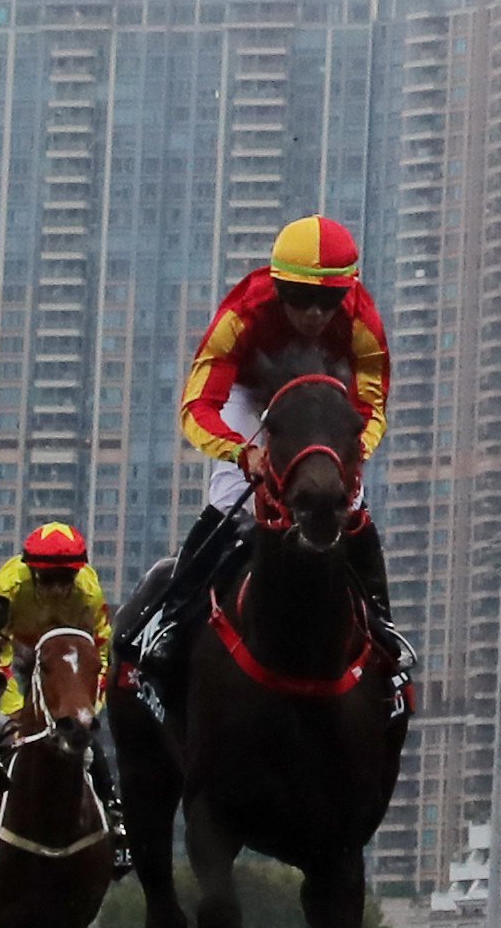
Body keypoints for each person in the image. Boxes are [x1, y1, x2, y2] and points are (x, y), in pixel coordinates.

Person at [124, 214, 395, 692]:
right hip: (251, 396)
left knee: (348, 503)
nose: (315, 313)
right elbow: (198, 404)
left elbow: (370, 404)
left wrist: (353, 455)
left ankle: (384, 627)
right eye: (300, 298)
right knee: (230, 500)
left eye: (327, 300)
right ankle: (170, 618)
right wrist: (239, 453)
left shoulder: (362, 322)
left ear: (345, 294)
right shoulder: (241, 317)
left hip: (323, 405)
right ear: (277, 288)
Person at [0, 522, 108, 751]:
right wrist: (14, 710)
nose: (58, 590)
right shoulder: (8, 587)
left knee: (90, 748)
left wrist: (86, 709)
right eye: (49, 579)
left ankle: (104, 785)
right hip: (18, 655)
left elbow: (100, 656)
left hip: (66, 666)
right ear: (32, 570)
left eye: (66, 579)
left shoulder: (89, 594)